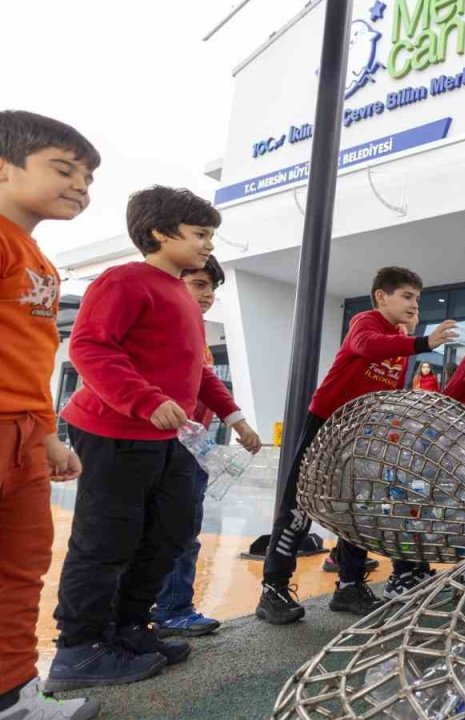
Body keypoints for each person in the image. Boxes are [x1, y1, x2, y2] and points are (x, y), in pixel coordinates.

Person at [46, 186, 260, 693]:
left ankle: (128, 630)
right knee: (107, 540)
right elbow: (92, 347)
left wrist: (234, 417)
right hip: (115, 430)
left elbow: (200, 373)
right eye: (200, 234)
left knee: (166, 534)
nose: (209, 244)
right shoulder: (124, 281)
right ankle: (79, 649)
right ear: (161, 233)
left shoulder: (184, 300)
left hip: (172, 439)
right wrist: (143, 399)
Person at [256, 267, 457, 625]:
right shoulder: (366, 323)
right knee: (300, 505)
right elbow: (366, 347)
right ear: (382, 296)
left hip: (361, 434)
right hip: (326, 423)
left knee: (358, 509)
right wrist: (424, 342)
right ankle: (273, 589)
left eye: (417, 299)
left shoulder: (398, 338)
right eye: (407, 296)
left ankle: (348, 585)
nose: (414, 305)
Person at [0, 110, 99, 720]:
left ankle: (12, 696)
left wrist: (48, 435)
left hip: (24, 437)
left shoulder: (37, 256)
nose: (80, 188)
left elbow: (30, 357)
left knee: (23, 565)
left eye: (87, 179)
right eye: (63, 170)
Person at [151, 256, 244, 638]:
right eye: (199, 285)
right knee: (159, 531)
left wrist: (236, 419)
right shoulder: (162, 322)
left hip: (191, 445)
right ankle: (150, 612)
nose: (207, 296)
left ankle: (171, 608)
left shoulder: (196, 330)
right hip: (159, 443)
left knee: (182, 531)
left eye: (212, 288)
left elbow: (204, 380)